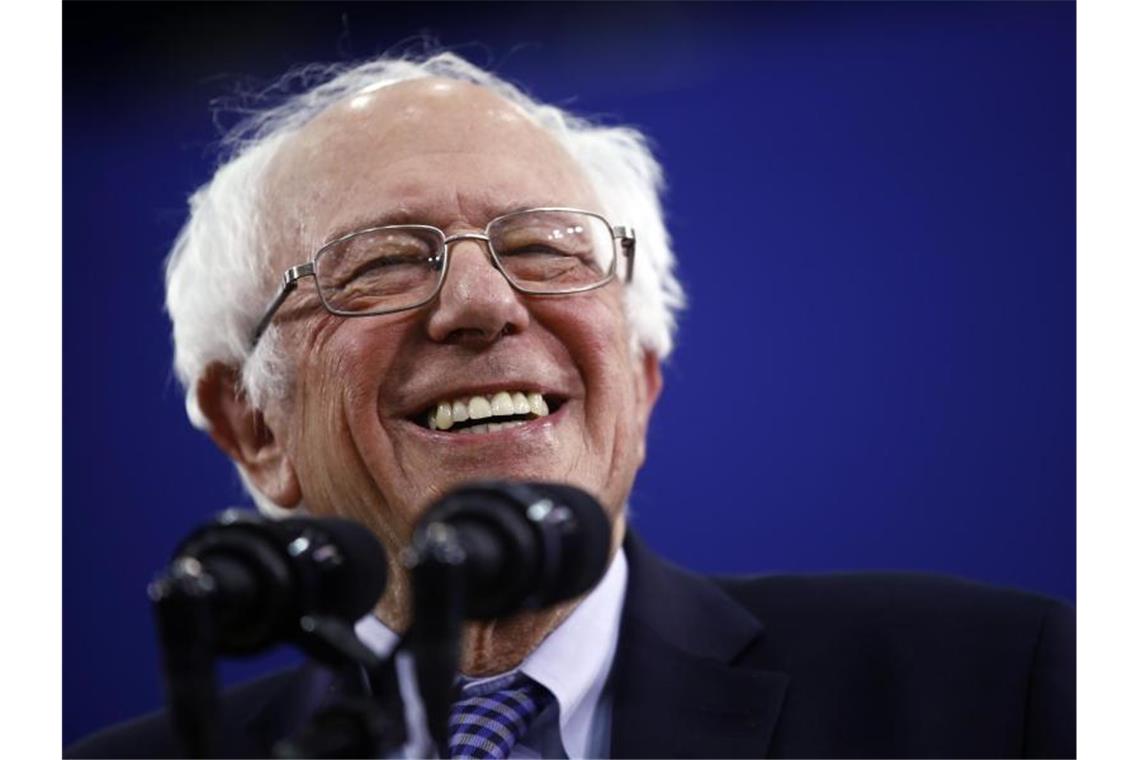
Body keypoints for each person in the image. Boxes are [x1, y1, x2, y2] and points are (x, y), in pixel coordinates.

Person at [66, 52, 1074, 759]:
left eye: (547, 247)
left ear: (638, 375)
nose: (482, 304)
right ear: (252, 423)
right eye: (379, 263)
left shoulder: (1005, 689)